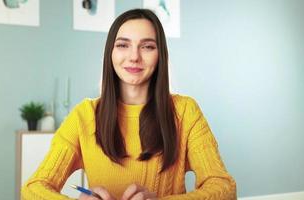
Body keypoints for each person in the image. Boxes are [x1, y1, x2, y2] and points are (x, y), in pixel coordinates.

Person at [21, 8, 237, 200]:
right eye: (123, 45)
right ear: (111, 53)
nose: (134, 57)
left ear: (160, 55)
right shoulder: (84, 115)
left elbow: (224, 188)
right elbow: (32, 189)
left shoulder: (185, 111)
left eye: (147, 47)